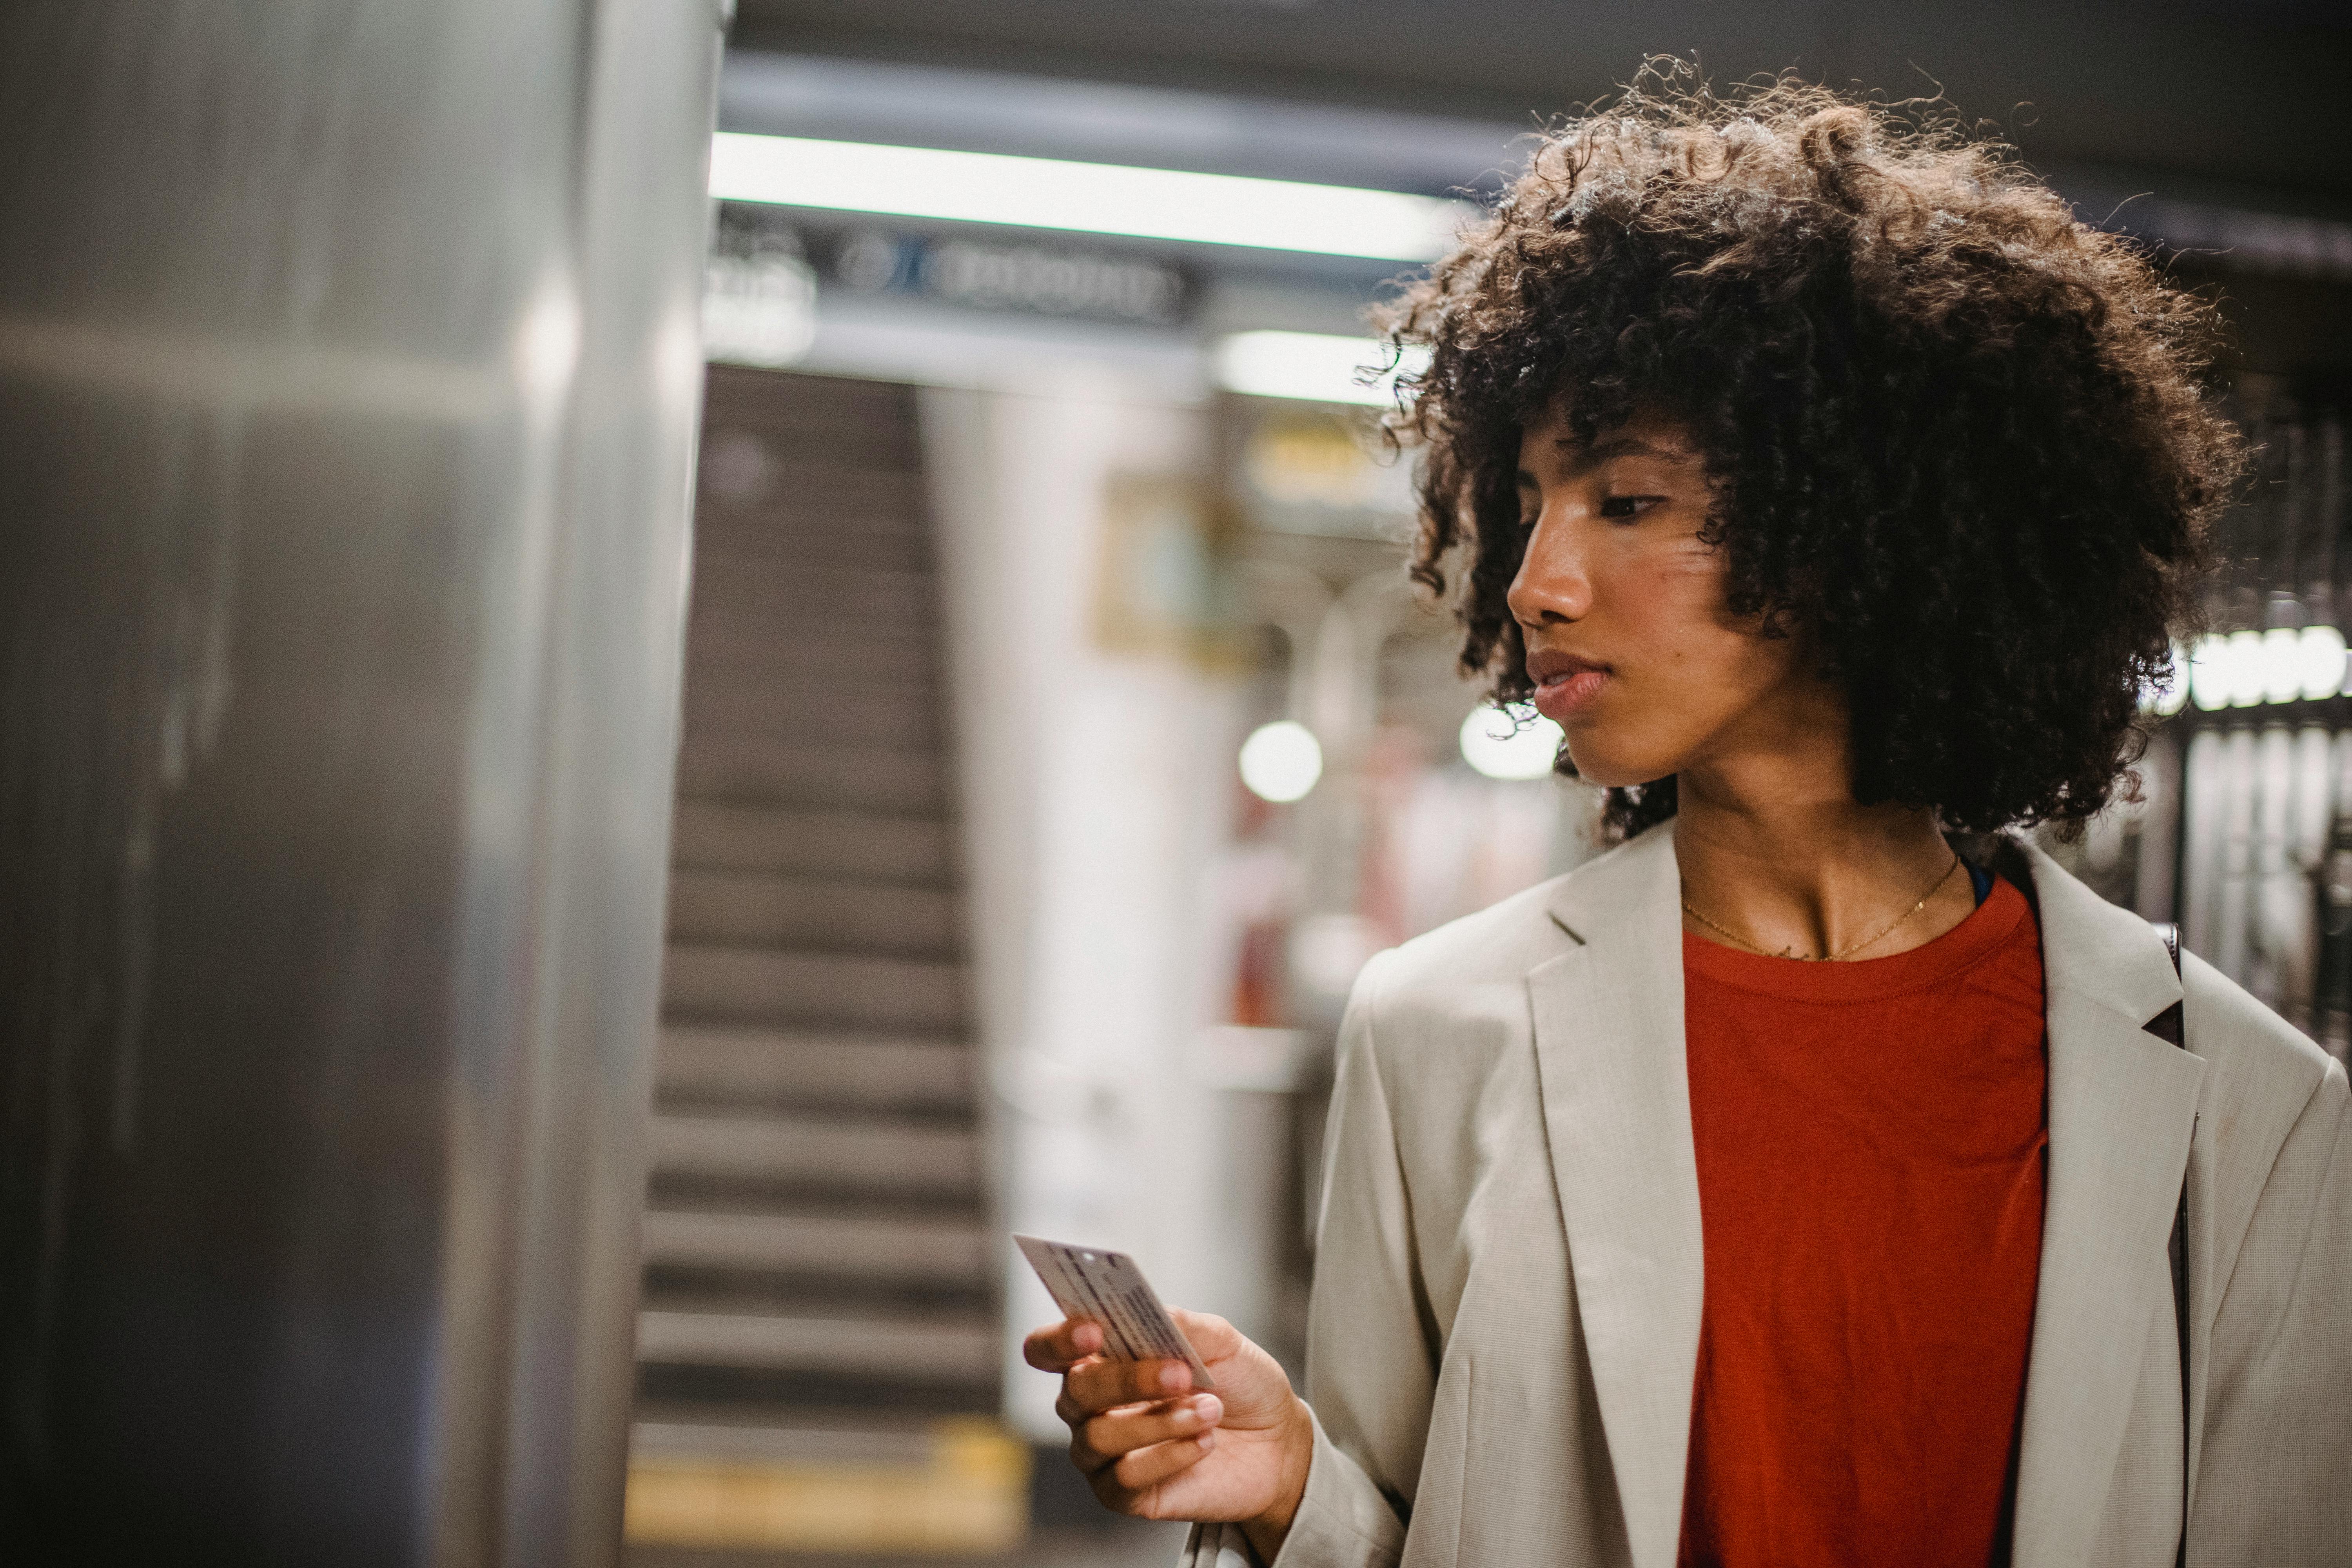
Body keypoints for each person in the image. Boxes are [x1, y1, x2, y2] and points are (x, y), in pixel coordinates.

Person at [1025, 66, 2352, 1566]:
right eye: (1527, 503)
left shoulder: (2243, 1100)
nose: (1536, 579)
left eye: (1629, 503)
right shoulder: (1443, 1030)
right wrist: (1287, 1490)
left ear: (1860, 527)